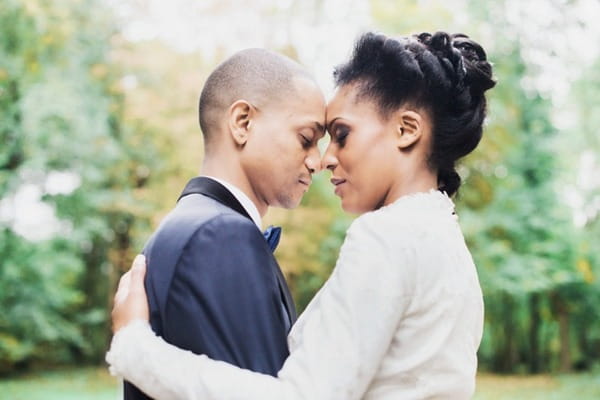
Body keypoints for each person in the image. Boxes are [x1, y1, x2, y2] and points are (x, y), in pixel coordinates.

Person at [107, 31, 496, 399]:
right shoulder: (445, 242)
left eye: (341, 135)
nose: (325, 159)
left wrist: (135, 349)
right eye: (311, 140)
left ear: (406, 130)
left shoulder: (388, 236)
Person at [120, 48, 326, 400]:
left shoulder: (191, 226)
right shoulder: (219, 236)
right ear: (243, 122)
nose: (317, 162)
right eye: (306, 139)